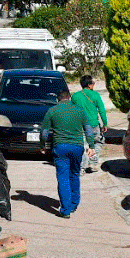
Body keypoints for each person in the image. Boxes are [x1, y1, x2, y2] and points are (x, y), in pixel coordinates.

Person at [40, 89, 95, 218]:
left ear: (58, 99)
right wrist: (91, 145)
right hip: (77, 147)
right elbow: (88, 129)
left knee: (63, 177)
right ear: (69, 98)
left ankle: (65, 210)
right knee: (75, 174)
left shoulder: (52, 111)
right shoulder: (79, 110)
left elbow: (44, 131)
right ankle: (74, 203)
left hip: (60, 147)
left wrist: (43, 145)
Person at [71, 75, 109, 173]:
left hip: (80, 125)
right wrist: (105, 123)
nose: (94, 85)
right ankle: (93, 162)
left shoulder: (75, 96)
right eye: (93, 83)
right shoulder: (95, 95)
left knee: (83, 145)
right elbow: (102, 110)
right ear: (89, 85)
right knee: (97, 142)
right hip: (93, 125)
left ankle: (81, 168)